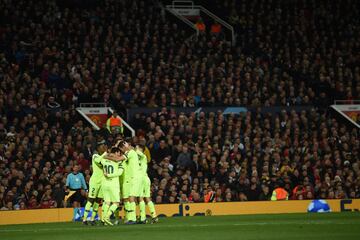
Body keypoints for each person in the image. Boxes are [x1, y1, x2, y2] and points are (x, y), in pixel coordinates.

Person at [82, 140, 107, 225]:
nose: (103, 147)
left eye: (104, 146)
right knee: (91, 199)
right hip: (95, 181)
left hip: (102, 181)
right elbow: (99, 161)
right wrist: (105, 153)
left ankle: (92, 219)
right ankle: (84, 219)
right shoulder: (95, 156)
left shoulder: (104, 157)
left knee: (98, 200)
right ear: (98, 148)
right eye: (102, 146)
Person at [117, 140, 142, 224]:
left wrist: (107, 156)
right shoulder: (132, 153)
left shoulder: (130, 152)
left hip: (133, 178)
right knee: (128, 198)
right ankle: (131, 218)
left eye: (121, 149)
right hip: (129, 179)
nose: (122, 151)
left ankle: (133, 218)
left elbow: (119, 159)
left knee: (131, 198)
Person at [100, 147, 124, 226]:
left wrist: (108, 155)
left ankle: (103, 219)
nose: (119, 155)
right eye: (119, 153)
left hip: (104, 183)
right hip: (113, 184)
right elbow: (120, 173)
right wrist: (110, 175)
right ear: (116, 152)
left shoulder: (104, 160)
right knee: (116, 203)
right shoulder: (118, 161)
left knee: (107, 202)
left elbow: (102, 158)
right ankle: (107, 217)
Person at [136, 144, 158, 224]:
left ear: (140, 149)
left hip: (142, 179)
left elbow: (138, 152)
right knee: (147, 198)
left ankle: (143, 218)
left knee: (141, 198)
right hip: (144, 178)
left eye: (137, 147)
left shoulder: (143, 156)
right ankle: (154, 216)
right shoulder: (137, 158)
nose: (135, 148)